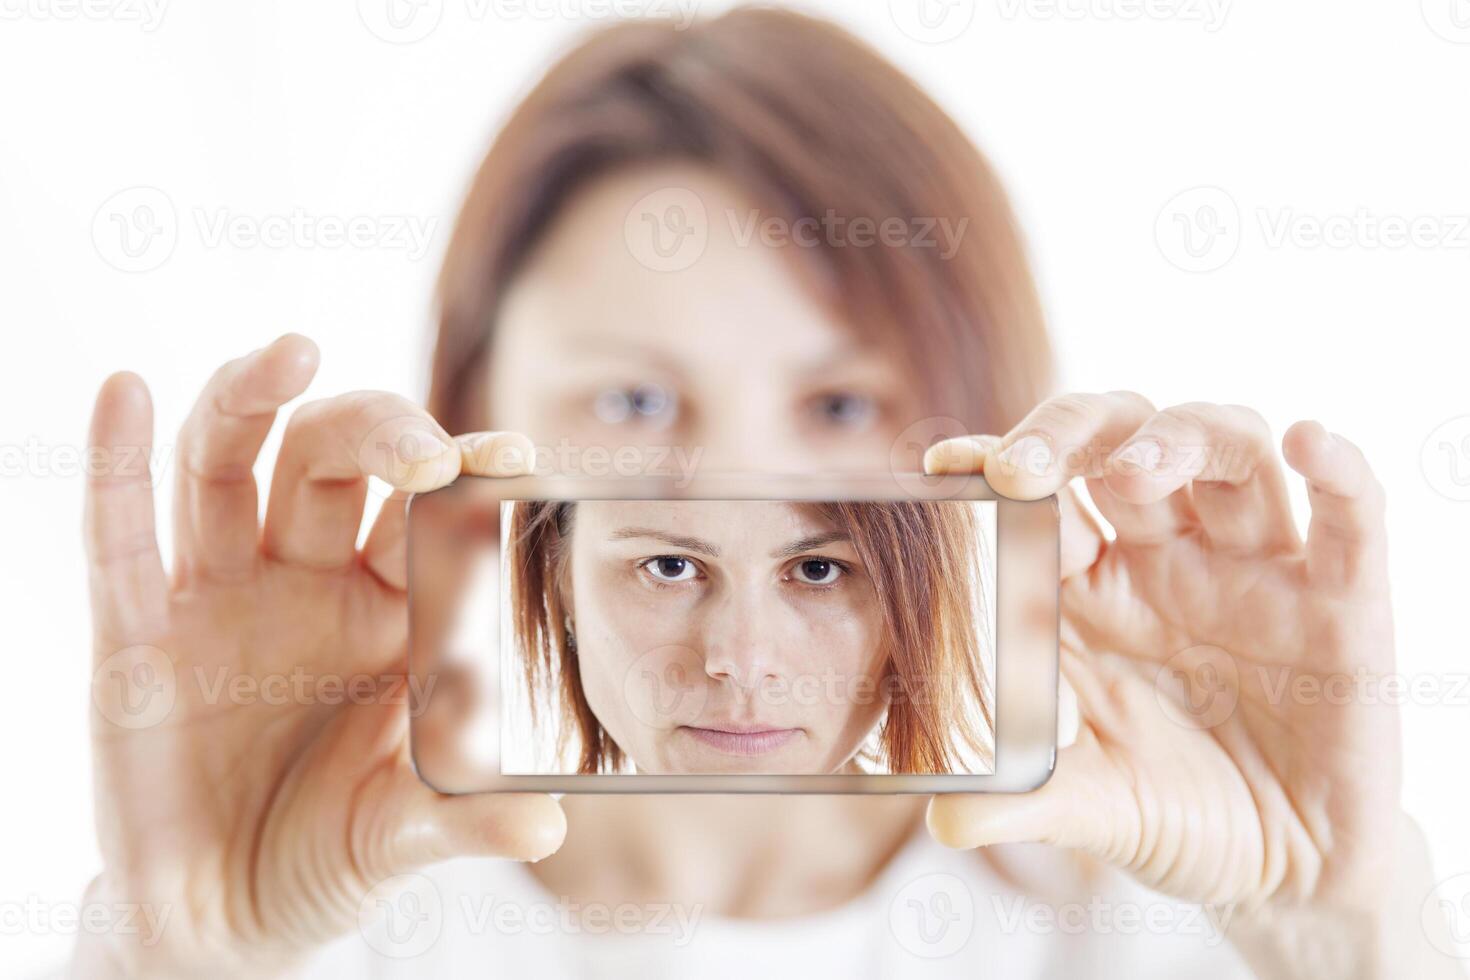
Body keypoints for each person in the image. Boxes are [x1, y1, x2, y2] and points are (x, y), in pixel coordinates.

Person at [73, 8, 1456, 978]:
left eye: (841, 406)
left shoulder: (1181, 925)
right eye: (628, 402)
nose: (737, 637)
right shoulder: (320, 925)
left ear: (989, 447)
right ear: (469, 429)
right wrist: (175, 965)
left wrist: (1347, 933)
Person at [501, 498, 995, 775]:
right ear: (561, 583)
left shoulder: (1042, 894)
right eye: (670, 567)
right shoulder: (444, 878)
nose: (743, 663)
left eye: (818, 569)